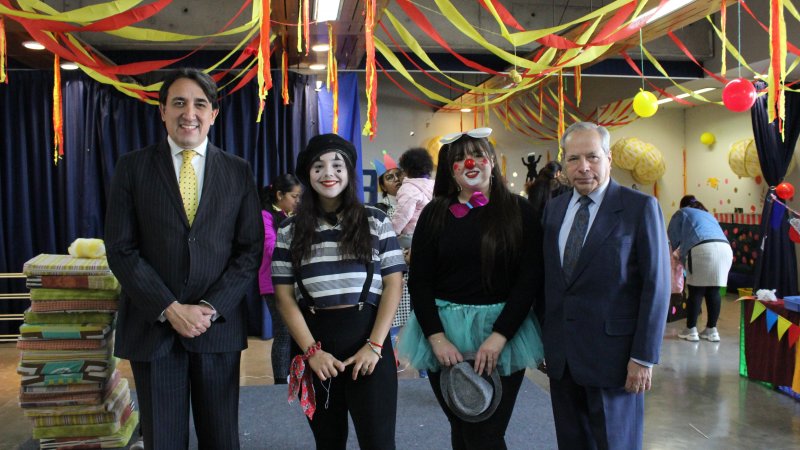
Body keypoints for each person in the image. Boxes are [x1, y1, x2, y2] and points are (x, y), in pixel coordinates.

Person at [105, 68, 263, 449]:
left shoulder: (238, 171)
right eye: (178, 102)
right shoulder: (133, 166)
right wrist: (169, 308)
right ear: (162, 111)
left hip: (217, 328)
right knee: (164, 439)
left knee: (221, 438)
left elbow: (249, 249)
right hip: (154, 327)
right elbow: (121, 248)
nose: (188, 112)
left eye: (199, 103)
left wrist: (209, 307)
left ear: (214, 114)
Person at [398, 128, 544, 449]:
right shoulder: (434, 213)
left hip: (504, 332)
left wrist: (499, 336)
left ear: (492, 160)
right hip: (444, 333)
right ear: (451, 169)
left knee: (487, 432)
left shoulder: (520, 212)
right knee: (461, 426)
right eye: (460, 159)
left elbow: (529, 279)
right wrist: (436, 338)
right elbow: (419, 280)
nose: (470, 163)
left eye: (478, 155)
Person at [541, 122, 670, 449]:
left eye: (592, 157)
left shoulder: (639, 208)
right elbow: (549, 280)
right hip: (564, 360)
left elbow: (656, 285)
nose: (583, 167)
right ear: (564, 163)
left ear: (608, 158)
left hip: (616, 360)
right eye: (573, 159)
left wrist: (643, 357)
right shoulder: (554, 210)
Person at [271, 133, 405, 449]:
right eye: (318, 166)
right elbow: (284, 297)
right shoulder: (289, 230)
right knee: (328, 441)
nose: (328, 173)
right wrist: (311, 352)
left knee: (379, 441)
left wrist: (374, 345)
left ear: (349, 172)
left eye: (337, 165)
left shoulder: (376, 220)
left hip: (370, 344)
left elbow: (393, 284)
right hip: (315, 347)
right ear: (307, 175)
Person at [668, 195, 733, 342]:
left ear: (682, 205)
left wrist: (677, 254)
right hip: (725, 250)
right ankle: (712, 330)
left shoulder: (682, 212)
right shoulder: (708, 215)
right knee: (714, 290)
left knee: (696, 291)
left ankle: (690, 329)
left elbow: (673, 236)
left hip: (702, 248)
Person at [259, 174, 302, 384]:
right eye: (294, 196)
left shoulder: (289, 215)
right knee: (284, 332)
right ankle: (279, 382)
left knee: (295, 331)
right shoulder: (265, 216)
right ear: (279, 195)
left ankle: (294, 377)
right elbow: (270, 247)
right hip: (273, 283)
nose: (297, 201)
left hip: (293, 282)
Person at [392, 147, 435, 249]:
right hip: (431, 235)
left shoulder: (408, 189)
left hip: (412, 235)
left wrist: (392, 232)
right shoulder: (434, 186)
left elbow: (403, 214)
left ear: (406, 170)